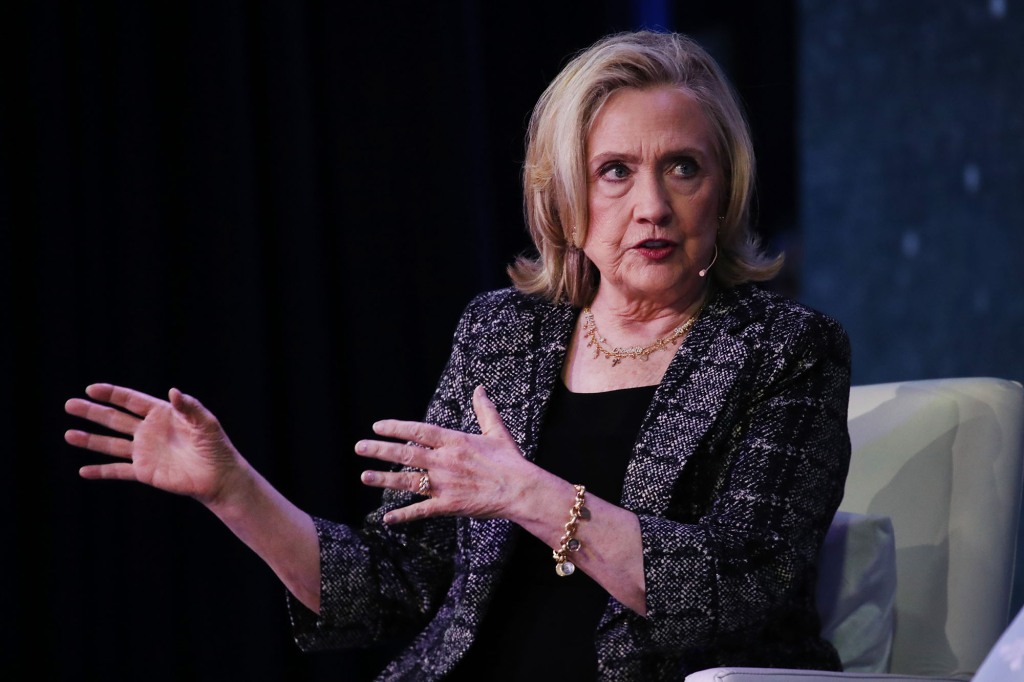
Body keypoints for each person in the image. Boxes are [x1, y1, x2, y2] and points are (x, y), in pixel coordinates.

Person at [64, 30, 851, 681]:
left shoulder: (785, 350)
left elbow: (746, 586)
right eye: (615, 171)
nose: (652, 205)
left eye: (684, 167)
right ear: (566, 201)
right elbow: (394, 583)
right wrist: (234, 491)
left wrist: (533, 496)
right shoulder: (503, 334)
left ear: (725, 190)